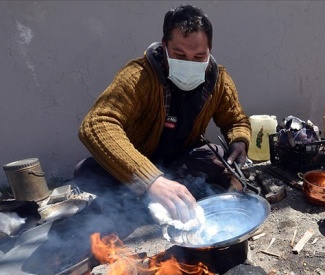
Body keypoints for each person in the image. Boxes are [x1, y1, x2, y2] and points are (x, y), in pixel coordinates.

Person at [75, 4, 251, 224]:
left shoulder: (219, 81)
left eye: (199, 56)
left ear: (210, 50)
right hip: (138, 163)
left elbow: (236, 120)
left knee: (216, 154)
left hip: (181, 163)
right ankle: (157, 196)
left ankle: (145, 202)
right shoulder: (139, 77)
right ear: (165, 45)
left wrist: (240, 140)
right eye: (179, 54)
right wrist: (151, 180)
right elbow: (96, 124)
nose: (190, 63)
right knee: (86, 172)